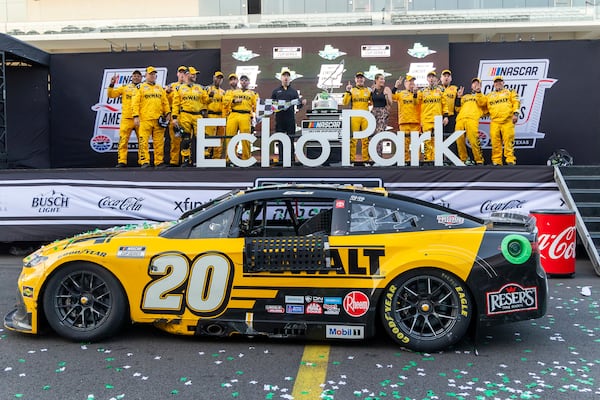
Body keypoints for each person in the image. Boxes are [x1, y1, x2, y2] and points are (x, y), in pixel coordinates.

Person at [132, 66, 171, 168]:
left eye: (154, 74)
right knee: (143, 141)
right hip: (145, 119)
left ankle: (159, 162)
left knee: (159, 142)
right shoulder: (140, 87)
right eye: (150, 74)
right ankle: (144, 161)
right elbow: (135, 103)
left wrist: (168, 113)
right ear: (146, 75)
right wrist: (135, 116)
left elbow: (165, 102)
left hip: (158, 119)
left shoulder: (160, 88)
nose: (152, 76)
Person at [171, 66, 208, 167]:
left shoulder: (200, 88)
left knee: (201, 138)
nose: (195, 76)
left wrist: (205, 110)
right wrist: (174, 118)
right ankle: (186, 159)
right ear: (187, 75)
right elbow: (175, 104)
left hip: (198, 115)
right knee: (185, 138)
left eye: (195, 74)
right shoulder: (179, 88)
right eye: (193, 74)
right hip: (185, 114)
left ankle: (202, 159)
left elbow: (206, 101)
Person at [107, 69, 142, 168]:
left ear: (141, 78)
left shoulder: (144, 88)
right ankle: (122, 161)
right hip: (126, 118)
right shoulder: (125, 87)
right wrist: (111, 84)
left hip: (140, 118)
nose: (136, 77)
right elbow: (111, 95)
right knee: (123, 141)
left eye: (138, 76)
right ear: (132, 77)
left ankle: (143, 161)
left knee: (142, 141)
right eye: (134, 76)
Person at [271, 67, 306, 164]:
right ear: (281, 78)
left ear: (290, 78)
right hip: (280, 119)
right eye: (284, 76)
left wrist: (302, 103)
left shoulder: (294, 92)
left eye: (287, 76)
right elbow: (271, 106)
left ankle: (291, 159)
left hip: (290, 118)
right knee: (281, 140)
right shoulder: (276, 91)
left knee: (290, 139)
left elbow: (298, 106)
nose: (286, 78)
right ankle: (281, 160)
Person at [484, 75, 520, 165]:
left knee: (508, 141)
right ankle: (497, 161)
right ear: (494, 84)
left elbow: (516, 102)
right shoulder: (489, 95)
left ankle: (510, 160)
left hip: (507, 120)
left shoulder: (510, 92)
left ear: (503, 83)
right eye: (496, 82)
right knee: (495, 142)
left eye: (500, 81)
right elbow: (483, 107)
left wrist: (516, 114)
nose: (498, 83)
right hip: (495, 121)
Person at [416, 71, 448, 164]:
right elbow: (415, 103)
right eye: (429, 77)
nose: (431, 79)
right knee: (427, 141)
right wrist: (414, 93)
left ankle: (436, 160)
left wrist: (445, 116)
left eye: (432, 77)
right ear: (427, 79)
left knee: (437, 142)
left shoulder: (441, 90)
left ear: (436, 79)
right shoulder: (422, 91)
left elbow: (444, 104)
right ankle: (428, 160)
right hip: (426, 120)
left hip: (437, 120)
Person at [454, 78, 488, 165]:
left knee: (474, 140)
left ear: (480, 86)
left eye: (478, 83)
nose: (476, 85)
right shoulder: (465, 96)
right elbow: (457, 109)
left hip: (472, 119)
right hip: (460, 119)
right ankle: (464, 159)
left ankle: (479, 160)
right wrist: (458, 97)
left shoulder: (483, 97)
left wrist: (479, 92)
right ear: (471, 86)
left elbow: (483, 105)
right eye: (474, 83)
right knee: (459, 140)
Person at [223, 74, 257, 161]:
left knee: (245, 138)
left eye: (246, 80)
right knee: (230, 138)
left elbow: (256, 107)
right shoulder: (233, 92)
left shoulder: (253, 94)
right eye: (242, 80)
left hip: (245, 115)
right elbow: (225, 101)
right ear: (240, 82)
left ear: (249, 82)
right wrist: (234, 100)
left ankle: (246, 159)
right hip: (233, 114)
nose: (244, 82)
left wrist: (253, 120)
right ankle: (229, 159)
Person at [343, 71, 372, 164]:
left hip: (365, 117)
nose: (360, 79)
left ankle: (366, 160)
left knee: (366, 140)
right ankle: (351, 160)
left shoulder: (368, 90)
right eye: (358, 78)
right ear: (355, 79)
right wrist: (347, 91)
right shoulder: (351, 90)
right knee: (353, 140)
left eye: (361, 78)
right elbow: (345, 102)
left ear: (364, 79)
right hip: (354, 117)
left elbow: (373, 102)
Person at [392, 74, 420, 164]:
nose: (411, 83)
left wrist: (415, 94)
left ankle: (416, 161)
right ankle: (406, 161)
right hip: (404, 122)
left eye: (413, 82)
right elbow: (392, 97)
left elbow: (416, 103)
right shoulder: (401, 94)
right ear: (405, 83)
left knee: (416, 144)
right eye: (409, 82)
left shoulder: (418, 93)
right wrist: (396, 86)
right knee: (404, 144)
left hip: (415, 122)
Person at [165, 65, 187, 166]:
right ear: (177, 74)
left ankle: (185, 160)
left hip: (185, 114)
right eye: (180, 72)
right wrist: (167, 93)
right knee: (174, 139)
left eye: (184, 73)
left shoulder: (189, 86)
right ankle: (174, 161)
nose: (182, 75)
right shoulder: (171, 86)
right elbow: (164, 101)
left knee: (185, 139)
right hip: (174, 114)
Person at [370, 73, 393, 159]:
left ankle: (378, 157)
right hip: (374, 112)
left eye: (384, 79)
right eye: (381, 79)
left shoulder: (386, 89)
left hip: (383, 112)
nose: (383, 81)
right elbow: (370, 100)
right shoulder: (372, 89)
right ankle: (372, 157)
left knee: (379, 134)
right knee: (372, 134)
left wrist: (386, 97)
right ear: (376, 80)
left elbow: (391, 104)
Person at [205, 71, 226, 159]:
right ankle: (206, 156)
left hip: (220, 116)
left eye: (220, 78)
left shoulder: (223, 92)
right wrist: (209, 96)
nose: (219, 80)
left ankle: (216, 157)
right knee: (209, 137)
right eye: (217, 77)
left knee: (219, 138)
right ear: (214, 78)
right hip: (210, 115)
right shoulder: (207, 89)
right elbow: (203, 102)